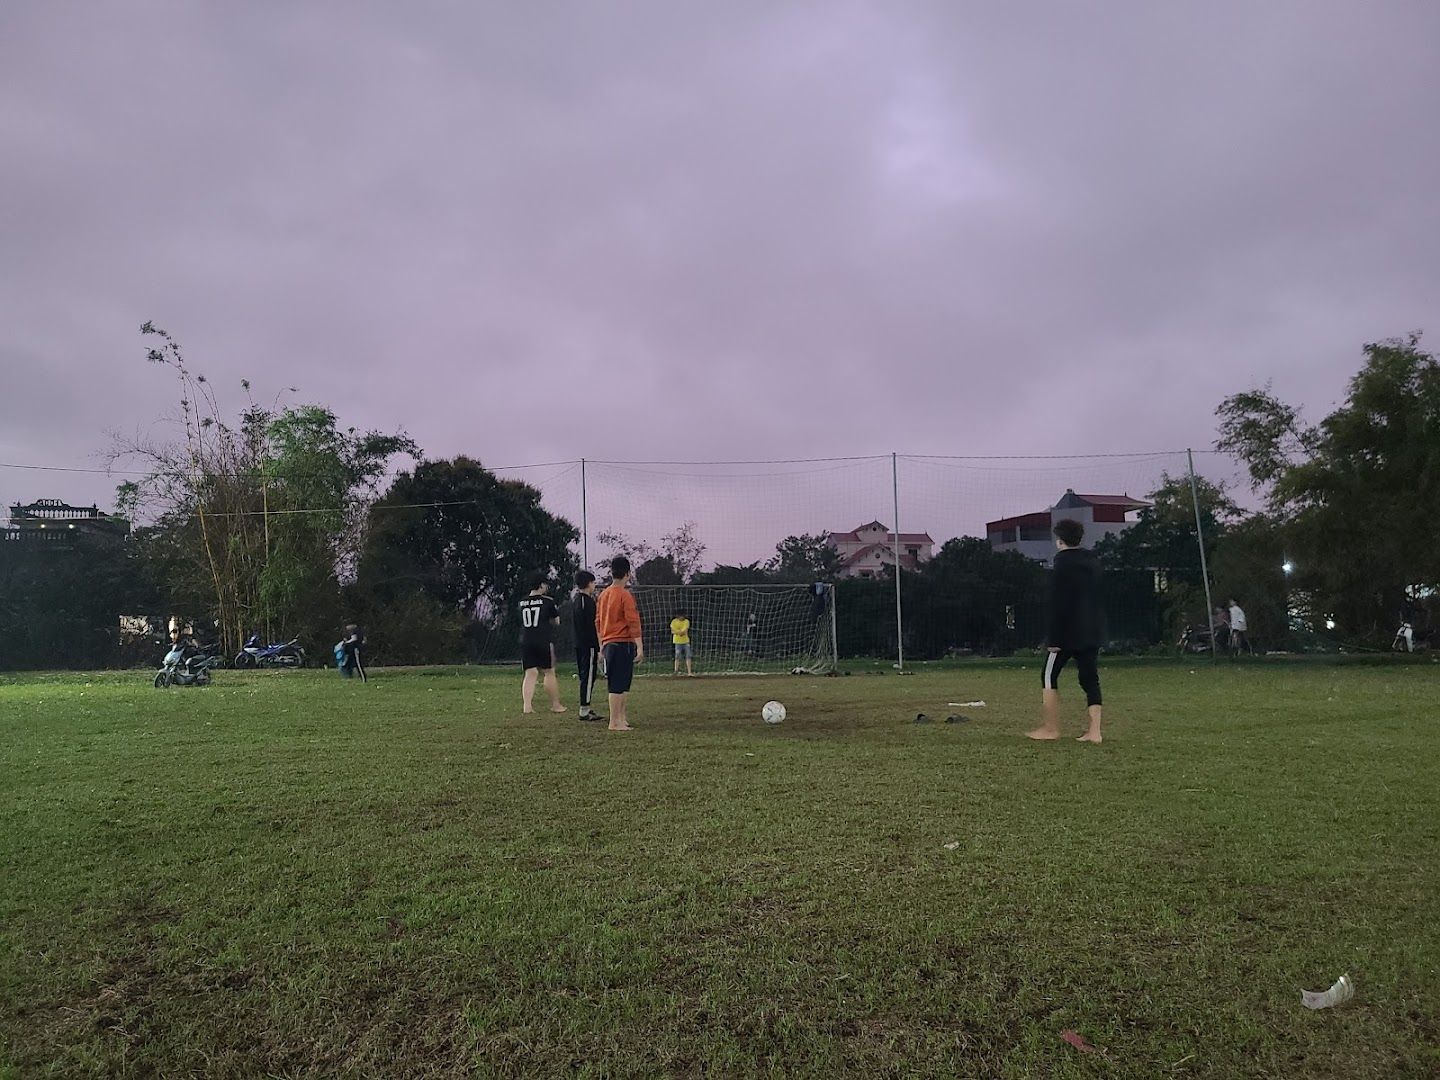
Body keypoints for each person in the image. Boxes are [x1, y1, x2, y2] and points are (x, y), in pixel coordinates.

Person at [1028, 518, 1104, 744]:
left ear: (1059, 540)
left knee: (1048, 676)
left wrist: (1053, 638)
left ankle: (1051, 729)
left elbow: (1058, 604)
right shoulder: (1093, 563)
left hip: (1067, 633)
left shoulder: (1061, 564)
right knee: (1090, 679)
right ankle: (1095, 732)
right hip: (1091, 630)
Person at [596, 555, 642, 731]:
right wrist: (639, 646)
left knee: (621, 683)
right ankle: (615, 721)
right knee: (617, 685)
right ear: (628, 574)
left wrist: (601, 644)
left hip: (609, 643)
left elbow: (598, 621)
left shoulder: (603, 595)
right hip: (622, 643)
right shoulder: (625, 595)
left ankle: (621, 718)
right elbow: (633, 621)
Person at [518, 577, 565, 714]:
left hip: (526, 640)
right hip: (543, 640)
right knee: (549, 671)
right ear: (541, 585)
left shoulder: (522, 602)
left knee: (530, 673)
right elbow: (556, 621)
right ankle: (556, 705)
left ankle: (527, 706)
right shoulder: (548, 601)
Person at [572, 570, 604, 720]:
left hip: (579, 643)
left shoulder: (576, 600)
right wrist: (598, 647)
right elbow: (592, 627)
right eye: (593, 582)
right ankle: (584, 710)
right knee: (589, 676)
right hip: (588, 645)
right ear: (588, 583)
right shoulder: (588, 602)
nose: (594, 585)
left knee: (585, 675)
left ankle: (586, 707)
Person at [670, 609, 694, 676]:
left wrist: (678, 632)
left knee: (688, 656)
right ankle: (676, 671)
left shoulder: (686, 621)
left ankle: (689, 672)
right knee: (677, 656)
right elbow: (672, 631)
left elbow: (685, 631)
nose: (682, 617)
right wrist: (679, 632)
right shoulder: (674, 621)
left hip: (686, 641)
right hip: (677, 641)